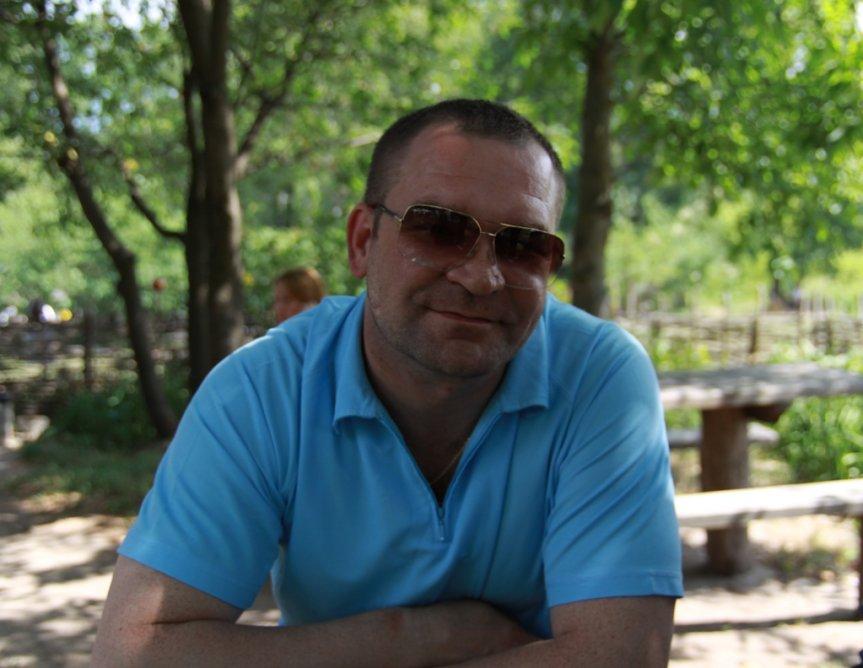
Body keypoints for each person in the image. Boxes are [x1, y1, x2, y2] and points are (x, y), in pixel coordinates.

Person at [93, 99, 683, 666]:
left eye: (524, 246)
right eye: (440, 229)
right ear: (362, 242)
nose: (482, 276)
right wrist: (416, 638)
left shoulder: (598, 377)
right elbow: (131, 654)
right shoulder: (262, 391)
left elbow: (622, 656)